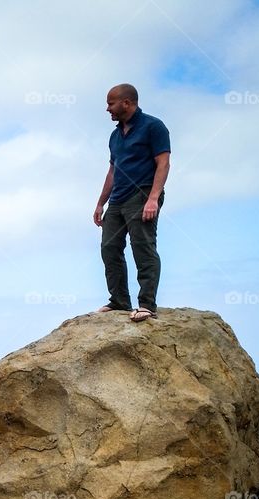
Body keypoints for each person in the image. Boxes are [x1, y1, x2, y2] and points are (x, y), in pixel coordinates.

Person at [93, 84, 170, 322]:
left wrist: (153, 198)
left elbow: (163, 163)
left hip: (143, 194)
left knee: (142, 247)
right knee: (109, 247)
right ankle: (119, 301)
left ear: (127, 103)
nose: (107, 109)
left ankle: (147, 304)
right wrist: (100, 204)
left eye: (111, 103)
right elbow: (112, 171)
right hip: (118, 199)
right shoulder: (115, 136)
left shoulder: (153, 126)